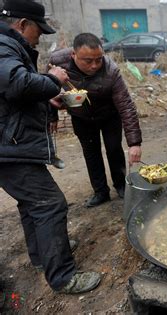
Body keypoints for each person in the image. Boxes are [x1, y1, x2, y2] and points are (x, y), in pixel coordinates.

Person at [0, 0, 100, 293]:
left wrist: (47, 99)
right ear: (21, 25)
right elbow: (18, 84)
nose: (39, 37)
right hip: (9, 147)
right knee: (50, 204)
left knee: (31, 203)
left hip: (12, 143)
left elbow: (11, 96)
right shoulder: (3, 47)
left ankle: (41, 255)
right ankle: (64, 277)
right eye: (37, 31)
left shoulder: (9, 46)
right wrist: (52, 80)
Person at [49, 33, 142, 207]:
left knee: (114, 149)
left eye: (98, 59)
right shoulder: (57, 63)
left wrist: (134, 142)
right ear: (73, 56)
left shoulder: (111, 70)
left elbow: (126, 106)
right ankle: (100, 191)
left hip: (109, 115)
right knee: (91, 153)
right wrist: (52, 113)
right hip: (81, 117)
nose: (94, 65)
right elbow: (47, 89)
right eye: (88, 61)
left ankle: (121, 185)